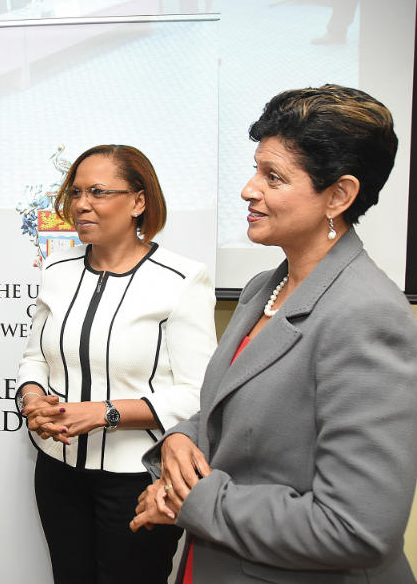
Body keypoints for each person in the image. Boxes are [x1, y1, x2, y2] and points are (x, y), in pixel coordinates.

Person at [131, 85, 417, 583]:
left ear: (340, 195)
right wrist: (179, 441)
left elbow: (357, 528)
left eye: (274, 177)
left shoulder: (367, 315)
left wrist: (193, 500)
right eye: (256, 169)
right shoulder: (265, 286)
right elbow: (233, 411)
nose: (248, 189)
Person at [15, 144, 217, 584]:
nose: (81, 204)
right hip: (57, 471)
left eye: (99, 192)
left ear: (138, 202)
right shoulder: (58, 271)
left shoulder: (182, 279)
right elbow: (34, 359)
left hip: (138, 478)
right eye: (75, 192)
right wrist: (32, 399)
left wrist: (104, 412)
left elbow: (198, 393)